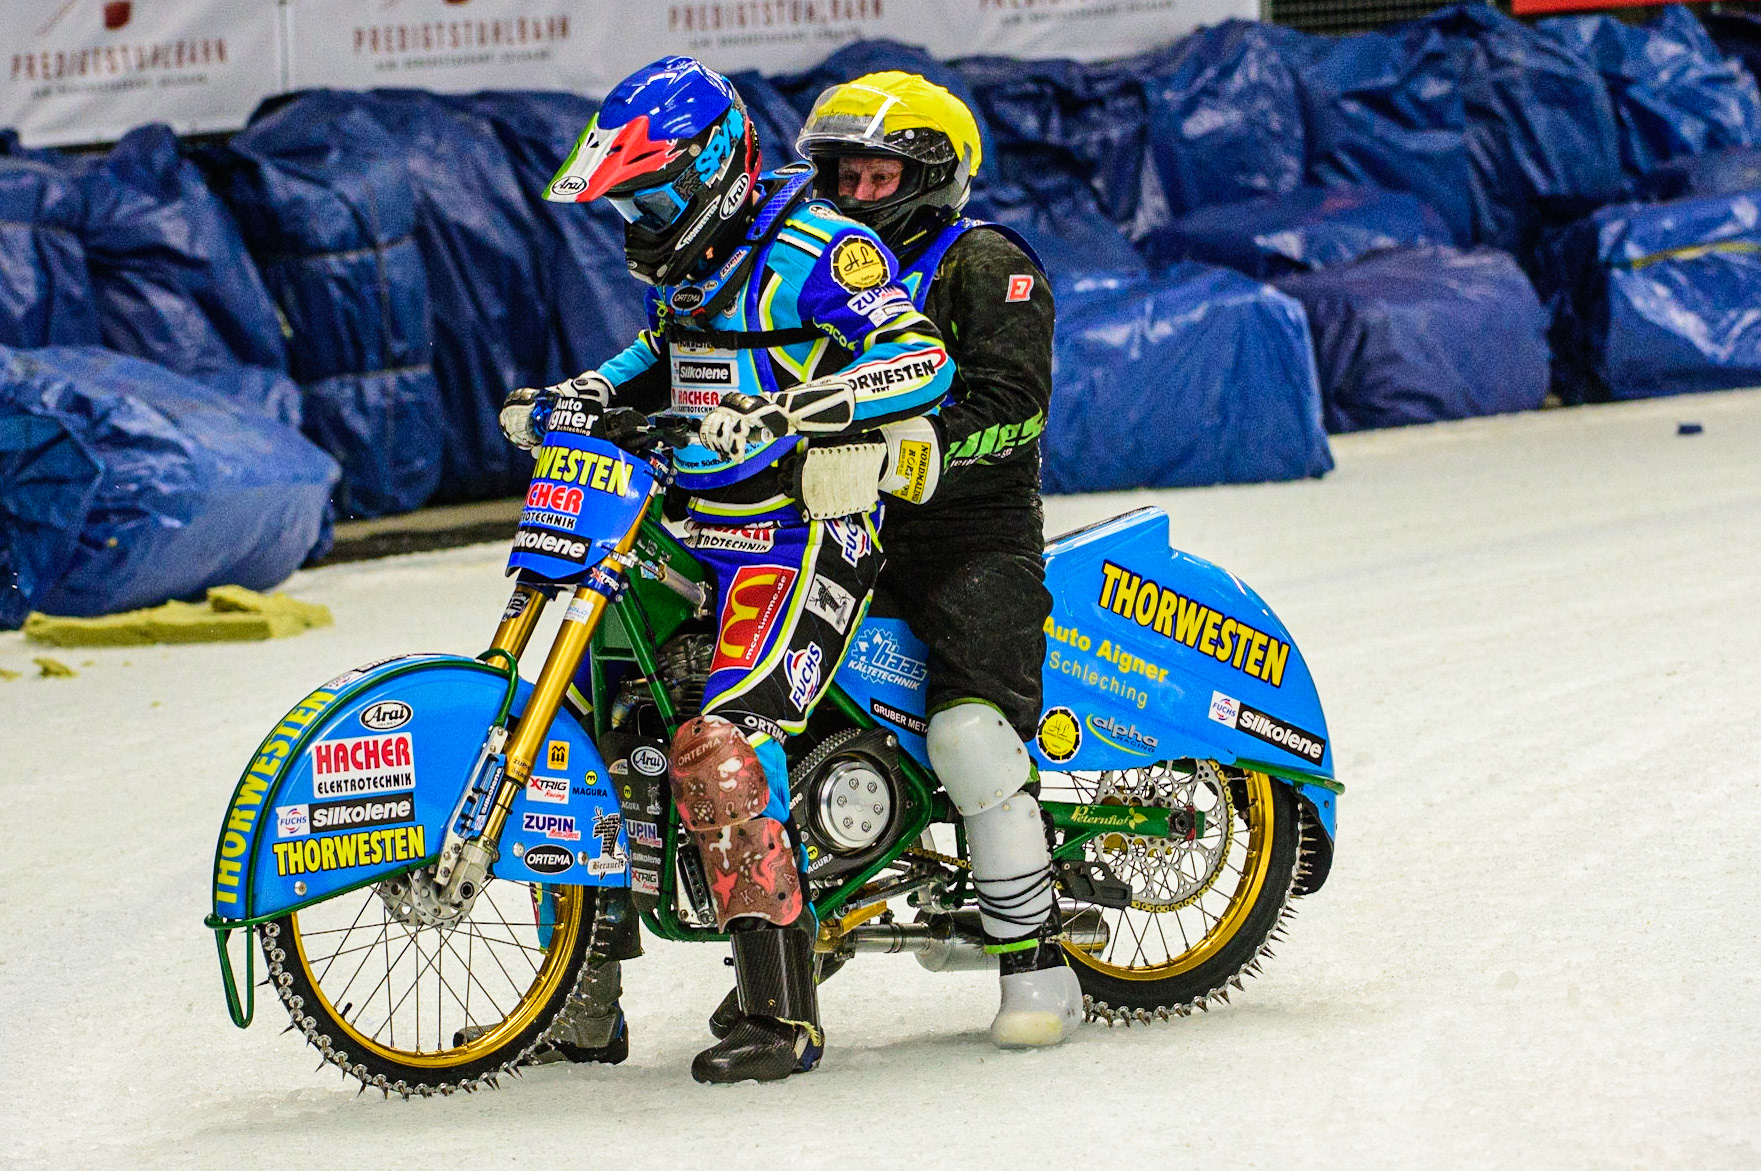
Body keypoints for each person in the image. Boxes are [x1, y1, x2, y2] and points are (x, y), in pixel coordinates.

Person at [497, 56, 954, 1083]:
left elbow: (921, 357)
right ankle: (579, 1002)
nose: (642, 222)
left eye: (655, 198)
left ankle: (779, 1015)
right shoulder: (693, 267)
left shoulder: (817, 248)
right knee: (583, 730)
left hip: (805, 529)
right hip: (694, 525)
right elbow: (654, 354)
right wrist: (577, 394)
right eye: (629, 204)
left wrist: (794, 409)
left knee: (726, 744)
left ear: (716, 169)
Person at [796, 72, 1082, 1047]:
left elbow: (1014, 405)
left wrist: (904, 452)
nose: (855, 195)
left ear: (933, 178)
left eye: (878, 178)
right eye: (843, 176)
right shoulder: (815, 274)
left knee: (967, 732)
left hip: (972, 535)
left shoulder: (984, 260)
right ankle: (806, 915)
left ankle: (1037, 962)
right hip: (839, 529)